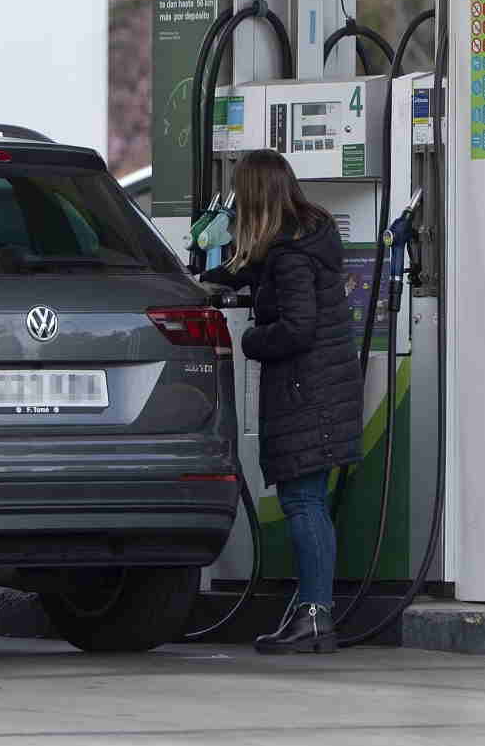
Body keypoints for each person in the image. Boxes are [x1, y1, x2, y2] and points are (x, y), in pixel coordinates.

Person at [202, 149, 363, 654]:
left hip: (307, 394)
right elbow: (256, 273)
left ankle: (315, 615)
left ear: (254, 197)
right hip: (319, 392)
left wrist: (251, 340)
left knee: (303, 502)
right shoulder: (298, 242)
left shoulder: (291, 255)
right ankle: (310, 610)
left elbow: (297, 326)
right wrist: (216, 278)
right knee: (307, 501)